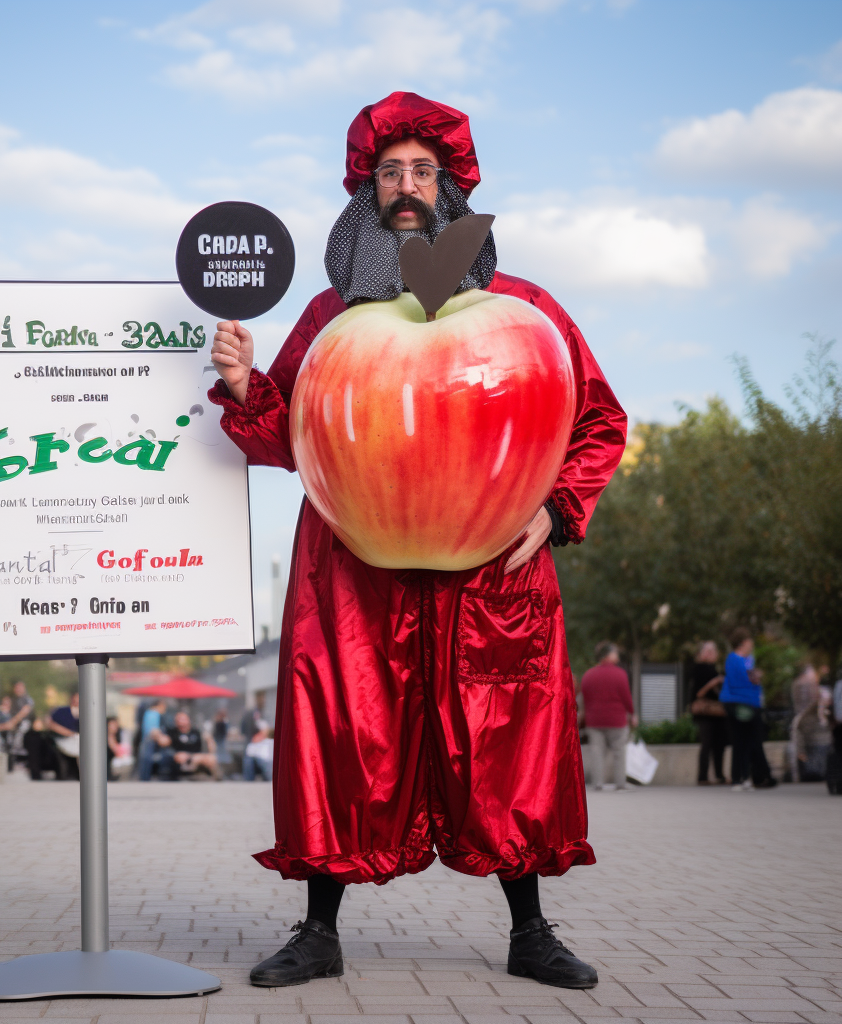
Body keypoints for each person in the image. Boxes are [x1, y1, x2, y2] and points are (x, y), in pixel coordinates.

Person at [208, 92, 626, 989]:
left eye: (423, 172)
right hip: (357, 563)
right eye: (389, 171)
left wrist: (555, 509)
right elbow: (293, 438)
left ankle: (531, 931)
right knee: (343, 731)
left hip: (493, 563)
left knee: (506, 735)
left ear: (453, 188)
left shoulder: (524, 308)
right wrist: (247, 386)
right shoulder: (332, 317)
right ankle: (318, 932)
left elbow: (597, 420)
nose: (406, 187)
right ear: (368, 189)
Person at [719, 628, 776, 791]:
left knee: (748, 742)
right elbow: (741, 682)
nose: (752, 644)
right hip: (739, 705)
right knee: (739, 741)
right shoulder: (734, 659)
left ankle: (745, 778)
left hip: (750, 705)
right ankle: (737, 779)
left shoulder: (747, 660)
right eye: (750, 641)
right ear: (743, 642)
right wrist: (754, 679)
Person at [580, 644, 637, 791]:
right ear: (607, 656)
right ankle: (620, 784)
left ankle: (598, 783)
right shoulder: (620, 674)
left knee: (597, 753)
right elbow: (626, 697)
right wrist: (632, 713)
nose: (617, 656)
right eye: (615, 653)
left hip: (594, 721)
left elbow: (584, 699)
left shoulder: (588, 675)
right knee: (619, 753)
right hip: (616, 720)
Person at [690, 641, 727, 785]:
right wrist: (714, 682)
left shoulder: (715, 669)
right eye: (707, 650)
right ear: (701, 653)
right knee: (706, 744)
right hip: (704, 712)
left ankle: (720, 775)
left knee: (720, 744)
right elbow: (697, 693)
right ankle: (702, 776)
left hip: (717, 713)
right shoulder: (698, 669)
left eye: (713, 650)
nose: (711, 653)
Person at [25, 690, 80, 780]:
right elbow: (50, 723)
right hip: (63, 739)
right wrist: (68, 733)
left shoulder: (85, 713)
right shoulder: (61, 711)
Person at [160, 711, 220, 780]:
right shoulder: (172, 732)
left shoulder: (196, 732)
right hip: (180, 758)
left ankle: (217, 779)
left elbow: (211, 748)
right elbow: (164, 742)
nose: (181, 721)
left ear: (188, 720)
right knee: (182, 757)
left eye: (183, 719)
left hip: (196, 757)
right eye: (178, 719)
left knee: (211, 758)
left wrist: (209, 740)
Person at [138, 698, 174, 781]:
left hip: (150, 742)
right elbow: (153, 730)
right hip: (150, 742)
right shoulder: (153, 714)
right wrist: (162, 738)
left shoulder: (149, 713)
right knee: (147, 764)